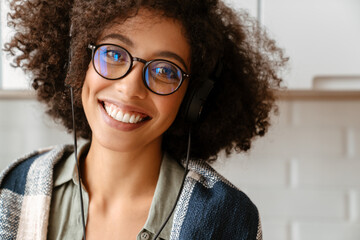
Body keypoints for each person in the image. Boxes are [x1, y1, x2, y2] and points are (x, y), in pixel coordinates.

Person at [0, 0, 287, 239]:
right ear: (77, 62)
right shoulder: (15, 187)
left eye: (165, 71)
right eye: (112, 53)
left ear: (193, 98)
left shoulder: (226, 217)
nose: (130, 89)